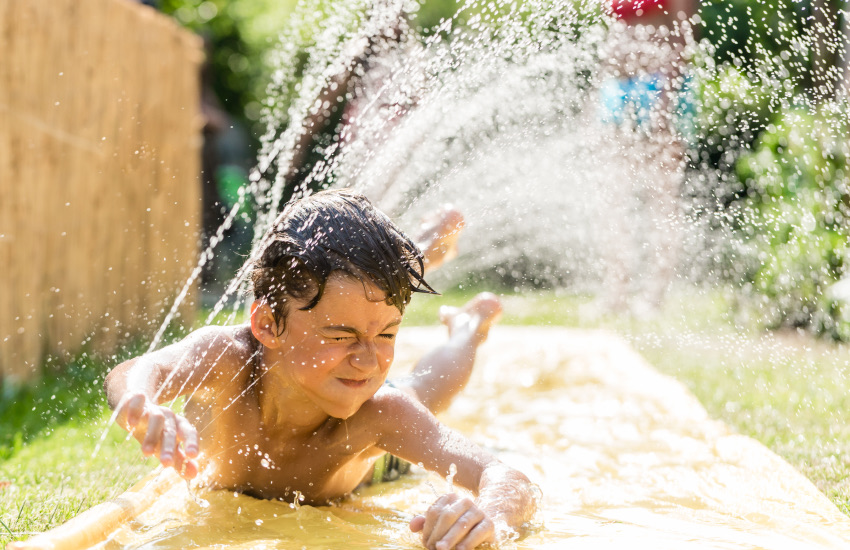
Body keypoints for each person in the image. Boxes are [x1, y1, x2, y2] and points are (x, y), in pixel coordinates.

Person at [104, 189, 535, 550]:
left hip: (368, 466)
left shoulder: (380, 413)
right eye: (341, 336)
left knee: (426, 387)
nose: (368, 360)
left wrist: (489, 518)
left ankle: (467, 327)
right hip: (325, 326)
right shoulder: (228, 358)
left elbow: (508, 478)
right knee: (357, 289)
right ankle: (426, 246)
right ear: (267, 325)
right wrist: (140, 403)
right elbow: (142, 369)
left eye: (388, 334)